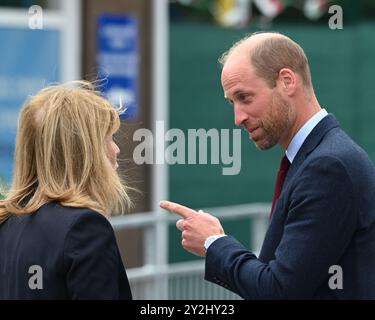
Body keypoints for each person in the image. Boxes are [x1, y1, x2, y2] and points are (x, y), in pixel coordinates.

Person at [160, 32, 375, 299]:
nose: (238, 118)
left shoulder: (328, 166)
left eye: (245, 97)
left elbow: (277, 291)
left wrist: (213, 242)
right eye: (232, 102)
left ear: (287, 81)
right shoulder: (319, 158)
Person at [0, 81, 133, 299]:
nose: (116, 149)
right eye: (108, 138)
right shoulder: (84, 227)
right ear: (84, 152)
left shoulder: (6, 222)